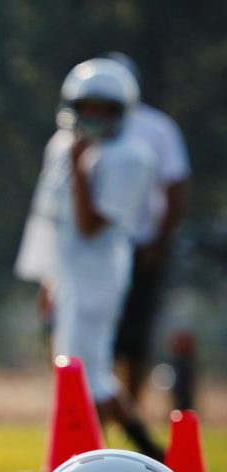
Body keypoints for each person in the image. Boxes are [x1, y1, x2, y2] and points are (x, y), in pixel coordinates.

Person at [14, 59, 163, 460]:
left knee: (81, 375)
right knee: (82, 373)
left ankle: (87, 458)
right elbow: (54, 221)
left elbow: (89, 225)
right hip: (71, 274)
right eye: (88, 107)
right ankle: (142, 450)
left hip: (99, 275)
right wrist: (50, 277)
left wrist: (80, 167)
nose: (94, 117)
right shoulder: (62, 144)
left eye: (104, 109)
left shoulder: (130, 156)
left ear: (120, 112)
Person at [102, 52, 191, 409]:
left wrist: (160, 241)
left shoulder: (157, 128)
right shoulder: (88, 129)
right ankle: (101, 413)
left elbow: (175, 188)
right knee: (97, 339)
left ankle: (130, 411)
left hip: (140, 247)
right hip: (98, 249)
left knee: (134, 338)